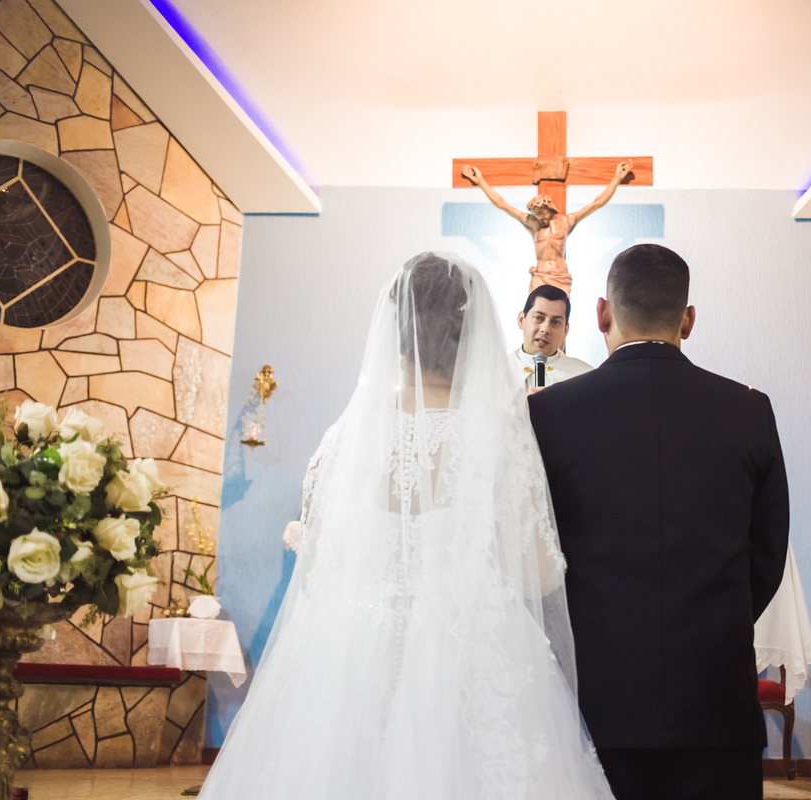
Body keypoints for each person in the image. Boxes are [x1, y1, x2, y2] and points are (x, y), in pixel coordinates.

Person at [198, 253, 613, 799]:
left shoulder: (344, 440)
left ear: (395, 332)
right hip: (474, 660)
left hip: (352, 654)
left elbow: (318, 569)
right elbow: (538, 574)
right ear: (472, 336)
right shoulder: (498, 438)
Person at [528, 244, 791, 800]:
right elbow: (767, 554)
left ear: (601, 313)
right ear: (688, 320)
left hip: (596, 697)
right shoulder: (748, 410)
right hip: (716, 698)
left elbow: (537, 548)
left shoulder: (547, 413)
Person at [461, 160, 633, 294]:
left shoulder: (566, 222)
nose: (540, 218)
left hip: (561, 276)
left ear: (550, 209)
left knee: (561, 320)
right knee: (535, 317)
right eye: (537, 215)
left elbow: (597, 203)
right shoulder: (533, 224)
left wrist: (617, 178)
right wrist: (481, 181)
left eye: (543, 213)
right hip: (540, 276)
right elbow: (502, 204)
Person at [514, 284, 592, 391]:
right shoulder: (495, 369)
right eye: (538, 318)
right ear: (521, 320)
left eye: (555, 322)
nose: (545, 329)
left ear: (565, 330)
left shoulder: (585, 376)